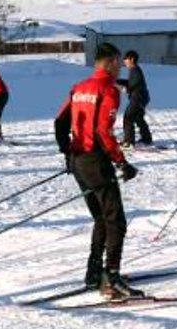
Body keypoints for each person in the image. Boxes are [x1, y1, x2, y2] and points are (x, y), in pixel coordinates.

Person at [54, 42, 143, 299]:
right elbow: (104, 132)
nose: (120, 69)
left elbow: (59, 122)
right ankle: (111, 278)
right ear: (113, 62)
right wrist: (121, 161)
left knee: (101, 218)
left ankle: (94, 273)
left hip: (79, 160)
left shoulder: (79, 88)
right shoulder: (108, 90)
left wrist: (68, 153)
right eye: (118, 64)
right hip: (95, 160)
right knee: (116, 220)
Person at [116, 50, 152, 147]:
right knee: (138, 117)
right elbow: (130, 82)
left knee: (128, 118)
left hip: (138, 98)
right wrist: (117, 81)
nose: (124, 62)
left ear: (132, 59)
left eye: (126, 60)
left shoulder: (135, 70)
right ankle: (146, 138)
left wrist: (123, 88)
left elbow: (132, 85)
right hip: (141, 97)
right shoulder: (134, 70)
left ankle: (129, 141)